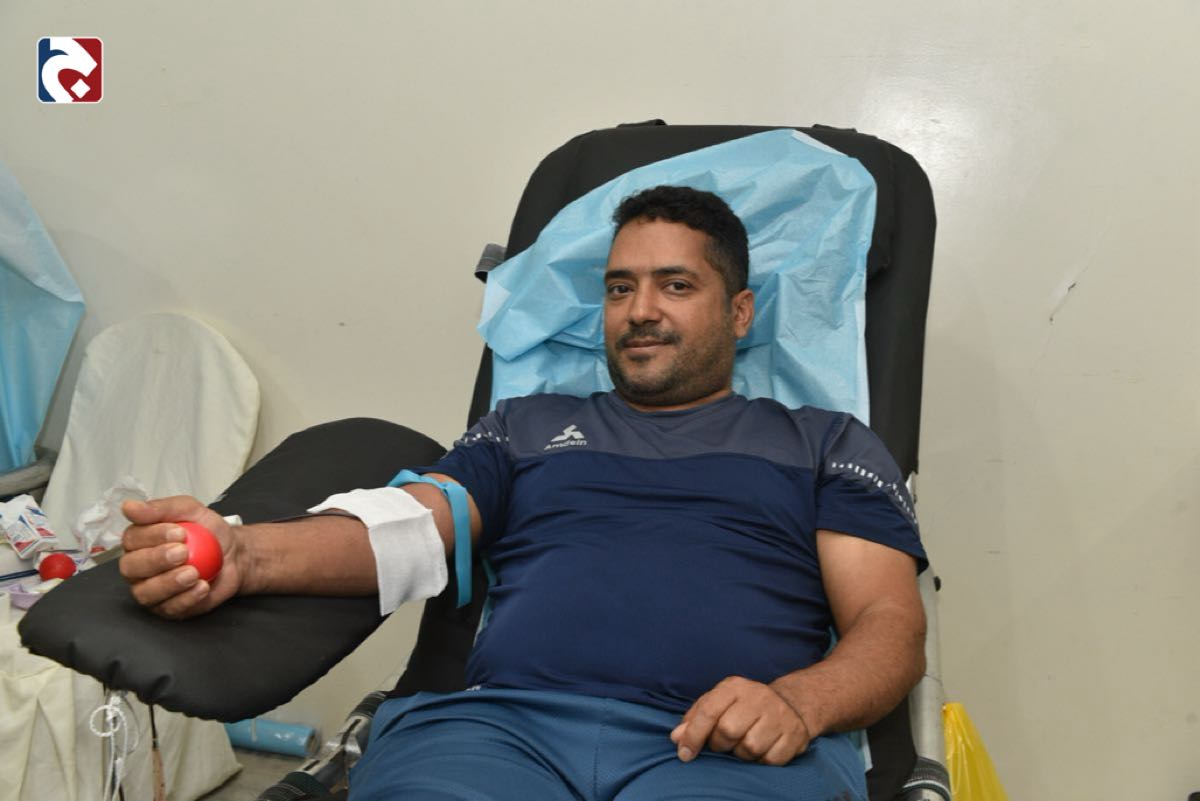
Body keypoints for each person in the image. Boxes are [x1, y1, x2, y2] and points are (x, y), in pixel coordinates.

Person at [119, 185, 927, 801]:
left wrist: (800, 702)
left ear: (740, 312)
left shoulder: (824, 444)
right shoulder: (526, 425)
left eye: (676, 285)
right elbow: (412, 525)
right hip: (499, 735)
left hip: (724, 746)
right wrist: (245, 551)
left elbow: (889, 622)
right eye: (619, 288)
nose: (640, 311)